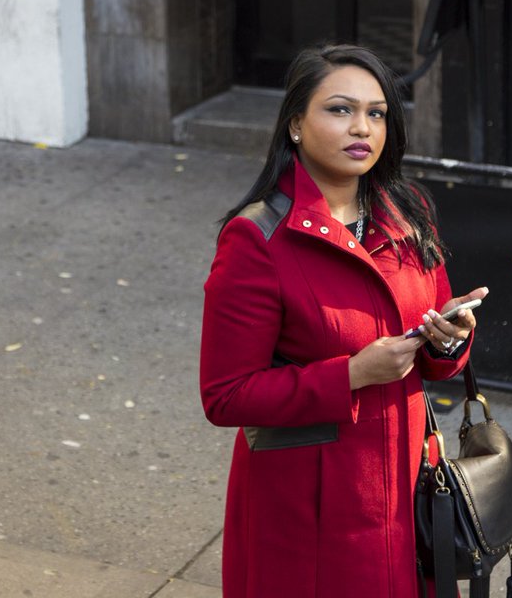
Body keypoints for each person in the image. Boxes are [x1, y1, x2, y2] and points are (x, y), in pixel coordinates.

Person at [200, 43, 488, 597]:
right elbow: (226, 396)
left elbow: (435, 362)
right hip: (307, 516)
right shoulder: (255, 239)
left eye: (376, 113)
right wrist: (351, 374)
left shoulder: (408, 212)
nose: (362, 127)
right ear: (294, 127)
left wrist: (448, 341)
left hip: (407, 493)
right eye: (339, 109)